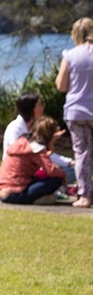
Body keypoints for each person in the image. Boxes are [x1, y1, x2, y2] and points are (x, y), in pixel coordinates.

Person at [56, 17, 93, 208]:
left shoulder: (70, 55)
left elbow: (61, 85)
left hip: (76, 111)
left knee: (82, 153)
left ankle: (85, 195)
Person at [3, 91, 75, 187]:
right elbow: (31, 155)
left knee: (74, 169)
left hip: (35, 168)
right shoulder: (15, 128)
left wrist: (68, 162)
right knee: (62, 174)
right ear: (32, 108)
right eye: (40, 105)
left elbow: (41, 153)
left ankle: (57, 188)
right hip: (22, 173)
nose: (42, 107)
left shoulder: (33, 127)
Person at [0, 116, 66, 204]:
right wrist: (63, 175)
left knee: (41, 176)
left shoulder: (22, 142)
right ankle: (36, 200)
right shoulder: (36, 148)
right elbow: (51, 170)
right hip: (16, 192)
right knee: (56, 180)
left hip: (2, 190)